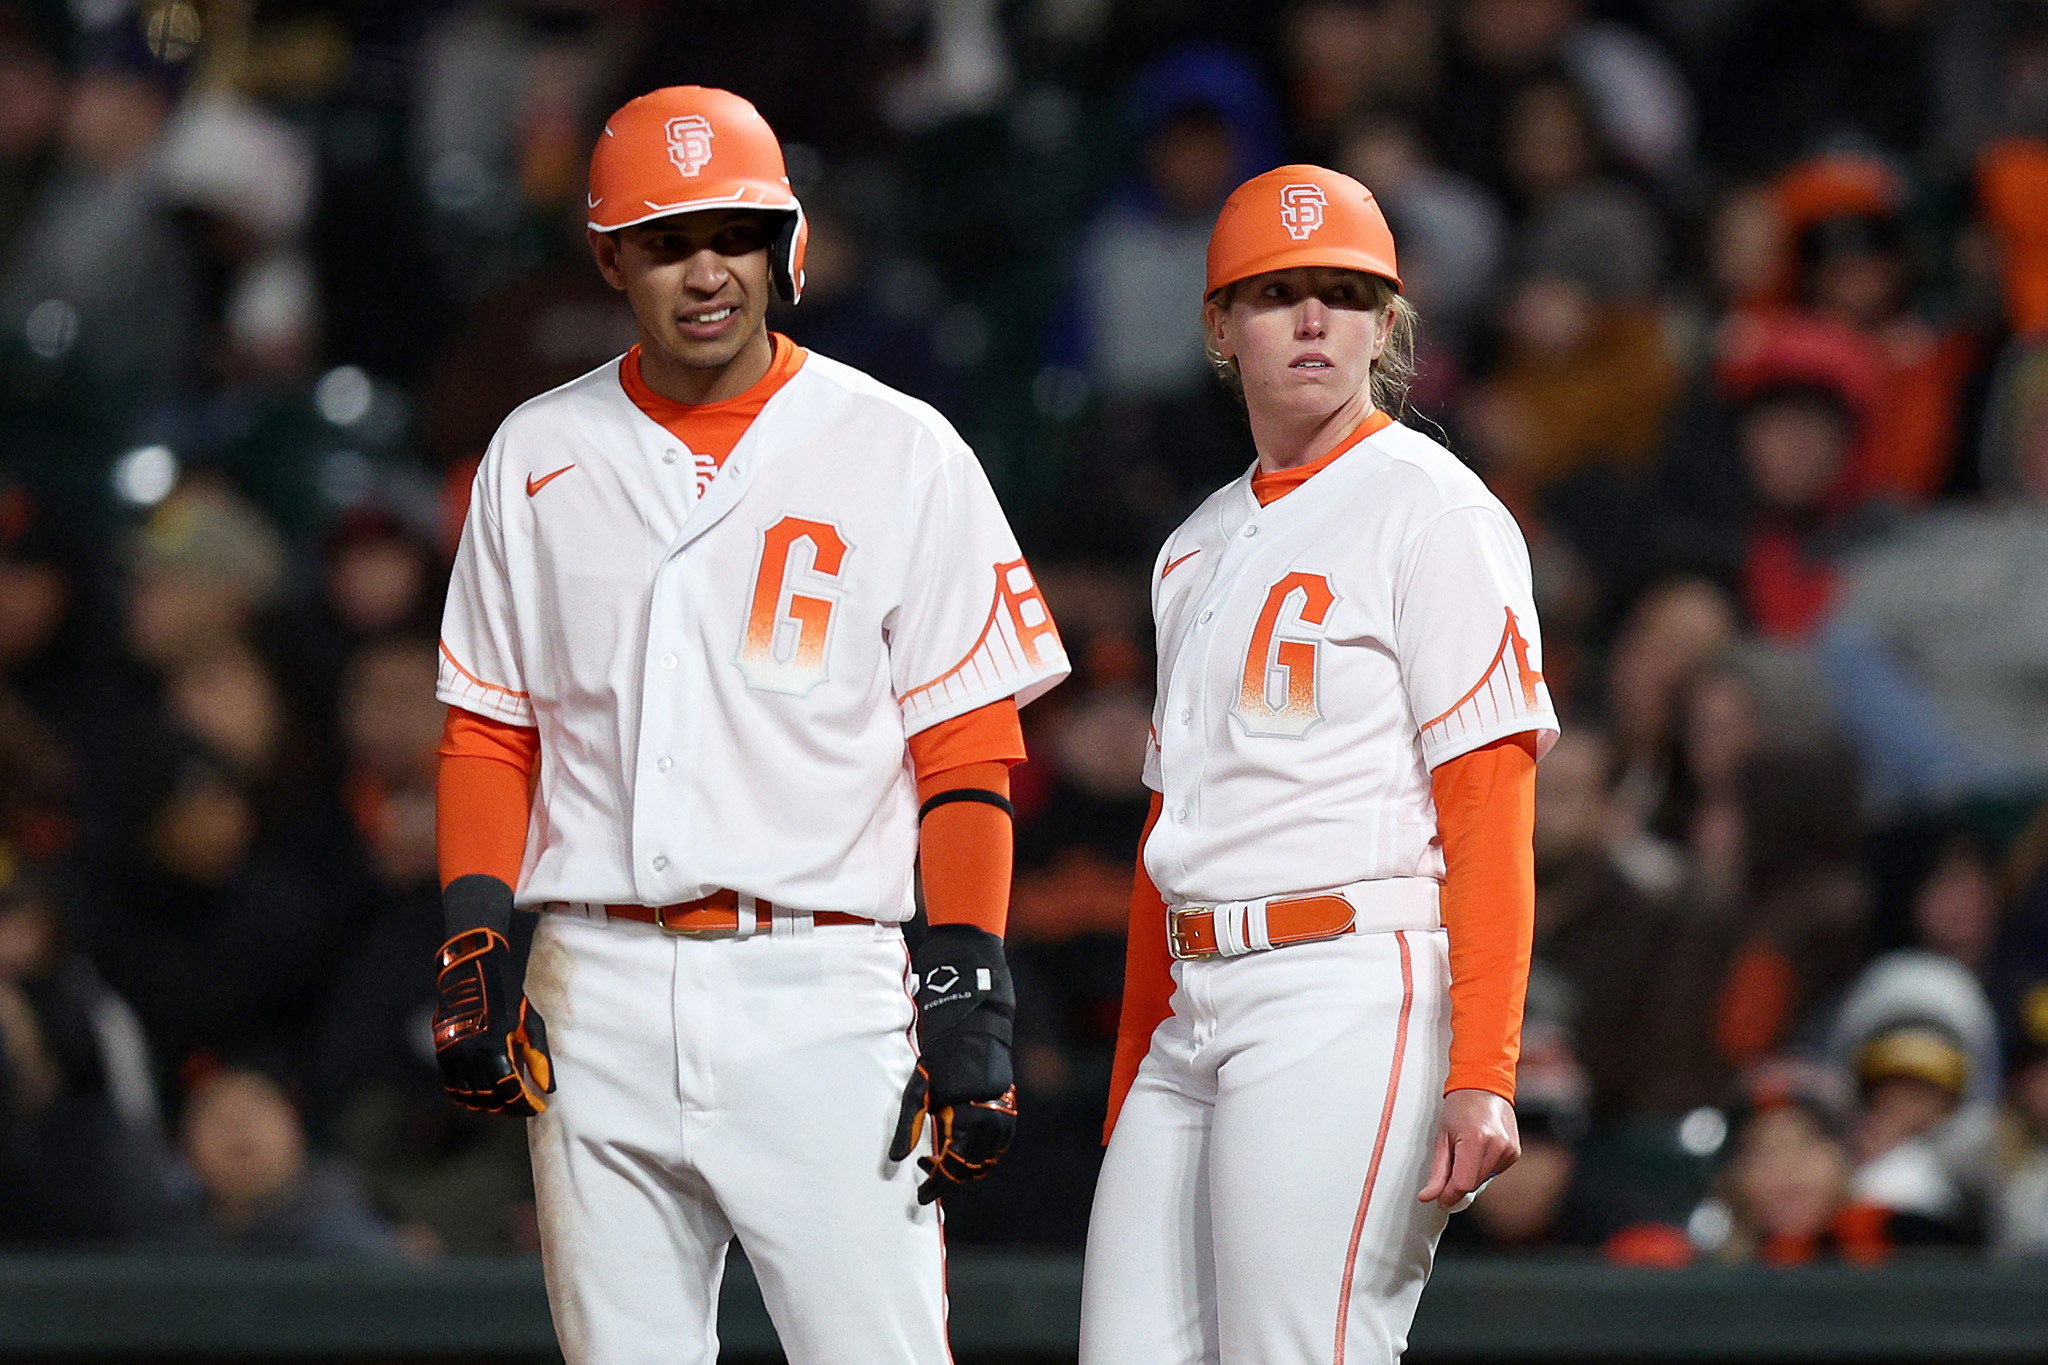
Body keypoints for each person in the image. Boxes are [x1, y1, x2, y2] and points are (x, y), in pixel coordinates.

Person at [429, 87, 1069, 1365]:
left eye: (733, 233)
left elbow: (965, 747)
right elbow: (490, 730)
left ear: (789, 242)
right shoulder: (535, 450)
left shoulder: (901, 450)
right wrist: (475, 935)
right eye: (668, 242)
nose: (707, 271)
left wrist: (967, 981)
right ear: (610, 256)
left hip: (819, 984)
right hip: (594, 980)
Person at [1080, 165, 1559, 1365]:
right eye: (1275, 291)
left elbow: (1489, 807)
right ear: (1216, 325)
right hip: (1194, 1008)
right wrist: (1134, 1062)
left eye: (1344, 293)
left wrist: (1483, 1072)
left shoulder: (1432, 513)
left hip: (1345, 986)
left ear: (1386, 324)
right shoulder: (1192, 546)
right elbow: (1166, 832)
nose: (1310, 319)